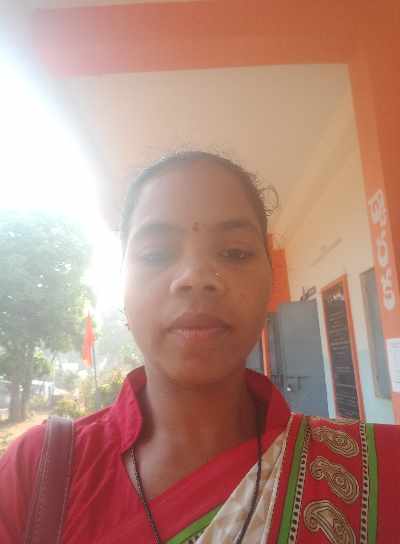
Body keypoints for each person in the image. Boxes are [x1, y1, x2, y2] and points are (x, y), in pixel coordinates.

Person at [0, 151, 399, 543]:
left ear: (270, 277)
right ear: (122, 284)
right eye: (156, 253)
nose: (195, 277)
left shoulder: (383, 469)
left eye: (235, 252)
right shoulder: (36, 473)